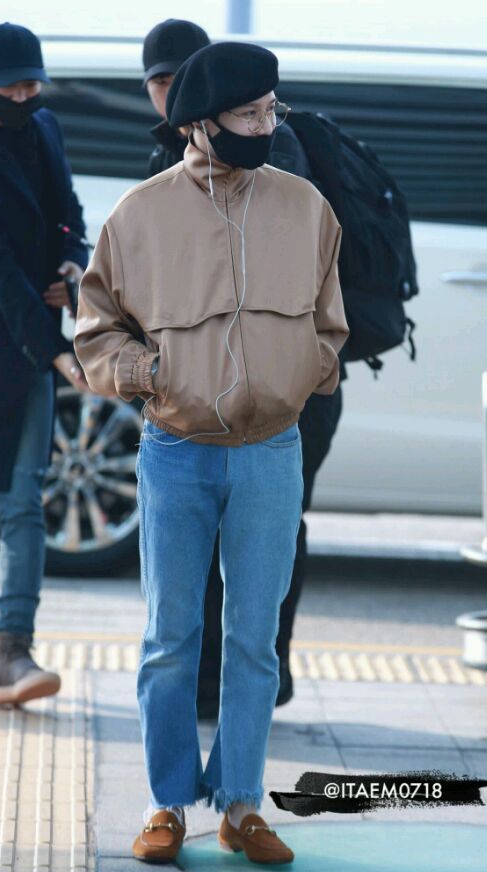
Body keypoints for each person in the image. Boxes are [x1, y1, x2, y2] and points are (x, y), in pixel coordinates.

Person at [75, 41, 348, 864]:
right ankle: (166, 803)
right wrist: (152, 375)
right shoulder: (140, 216)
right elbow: (95, 330)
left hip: (271, 452)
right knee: (171, 636)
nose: (267, 125)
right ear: (201, 122)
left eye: (271, 110)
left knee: (254, 639)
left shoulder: (306, 208)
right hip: (177, 450)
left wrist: (302, 371)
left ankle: (240, 803)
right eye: (249, 114)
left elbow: (329, 325)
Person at [142, 19, 344, 717]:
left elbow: (290, 283)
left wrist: (304, 372)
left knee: (270, 532)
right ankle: (216, 680)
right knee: (204, 542)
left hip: (282, 395)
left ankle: (257, 672)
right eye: (158, 81)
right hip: (203, 398)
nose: (169, 92)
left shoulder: (268, 155)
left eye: (180, 79)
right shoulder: (165, 167)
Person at [0, 23, 89, 706]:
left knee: (24, 498)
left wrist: (73, 266)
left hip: (25, 352)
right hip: (23, 339)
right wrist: (56, 350)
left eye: (33, 83)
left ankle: (11, 649)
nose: (26, 95)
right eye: (12, 86)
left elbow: (69, 217)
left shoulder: (45, 128)